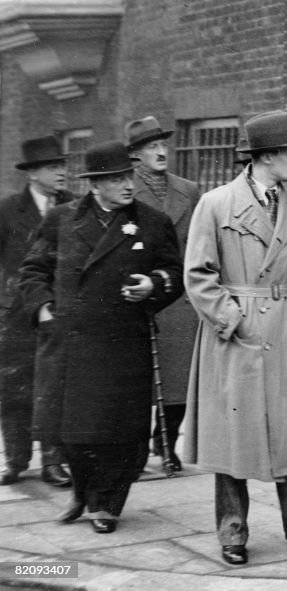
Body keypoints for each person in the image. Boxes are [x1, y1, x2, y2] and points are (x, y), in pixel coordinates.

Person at [182, 110, 287, 565]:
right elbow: (198, 274)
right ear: (267, 156)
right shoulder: (216, 204)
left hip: (286, 329)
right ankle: (233, 531)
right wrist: (234, 318)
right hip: (239, 334)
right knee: (236, 436)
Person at [19, 141, 183, 533]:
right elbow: (33, 270)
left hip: (125, 342)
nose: (127, 185)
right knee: (72, 431)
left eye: (128, 176)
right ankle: (83, 490)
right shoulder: (62, 219)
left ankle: (106, 503)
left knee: (120, 432)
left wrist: (153, 284)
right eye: (115, 179)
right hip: (72, 342)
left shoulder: (152, 221)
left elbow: (175, 273)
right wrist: (44, 310)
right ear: (94, 185)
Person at [125, 116, 201, 471]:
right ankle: (137, 451)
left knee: (179, 382)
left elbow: (200, 243)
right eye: (152, 147)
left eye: (163, 145)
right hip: (143, 296)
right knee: (138, 383)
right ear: (136, 154)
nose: (161, 152)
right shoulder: (124, 190)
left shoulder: (188, 189)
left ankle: (167, 445)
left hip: (181, 297)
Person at [0, 136, 75, 487]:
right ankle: (15, 460)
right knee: (15, 386)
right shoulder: (7, 210)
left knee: (56, 387)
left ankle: (53, 462)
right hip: (16, 316)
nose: (62, 172)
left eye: (62, 165)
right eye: (52, 167)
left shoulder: (77, 206)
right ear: (32, 174)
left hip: (61, 313)